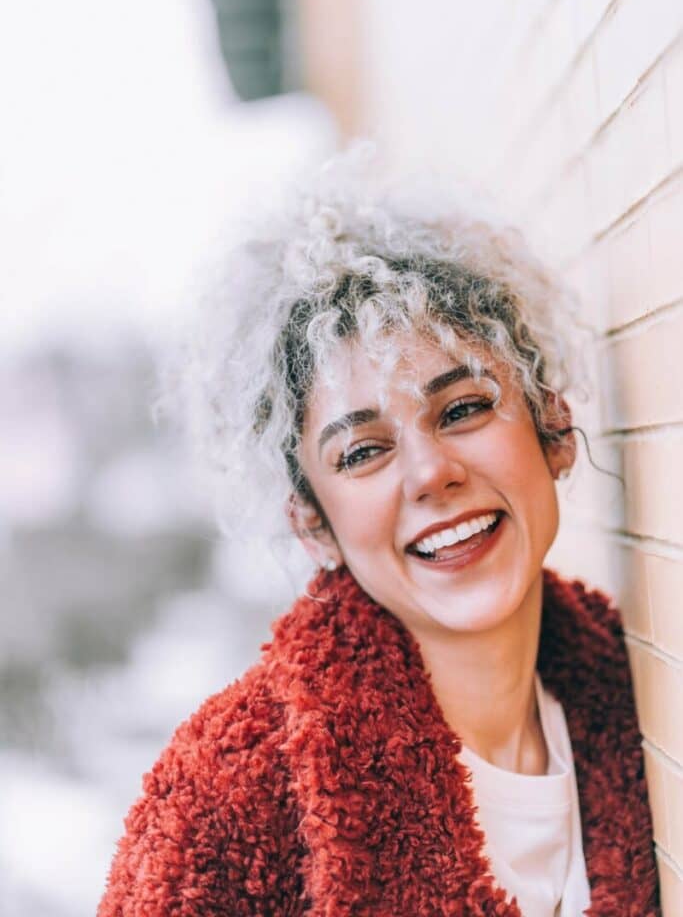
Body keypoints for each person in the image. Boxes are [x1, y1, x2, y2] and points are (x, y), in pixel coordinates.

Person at [98, 153, 660, 916]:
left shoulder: (640, 711)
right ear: (313, 524)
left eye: (462, 408)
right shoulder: (224, 806)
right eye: (362, 452)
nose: (430, 473)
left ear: (550, 424)